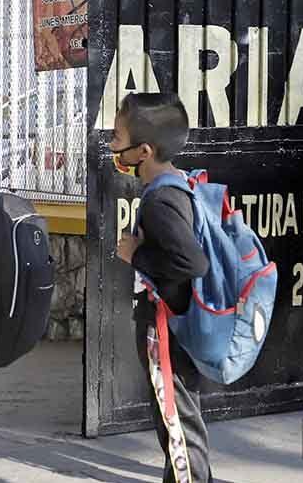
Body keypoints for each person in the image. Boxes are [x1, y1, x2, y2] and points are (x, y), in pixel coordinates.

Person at [112, 92, 212, 483]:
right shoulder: (174, 184)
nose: (114, 146)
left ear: (145, 150)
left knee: (177, 423)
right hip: (172, 323)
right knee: (178, 416)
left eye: (119, 138)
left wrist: (135, 254)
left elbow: (193, 263)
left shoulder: (161, 200)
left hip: (165, 328)